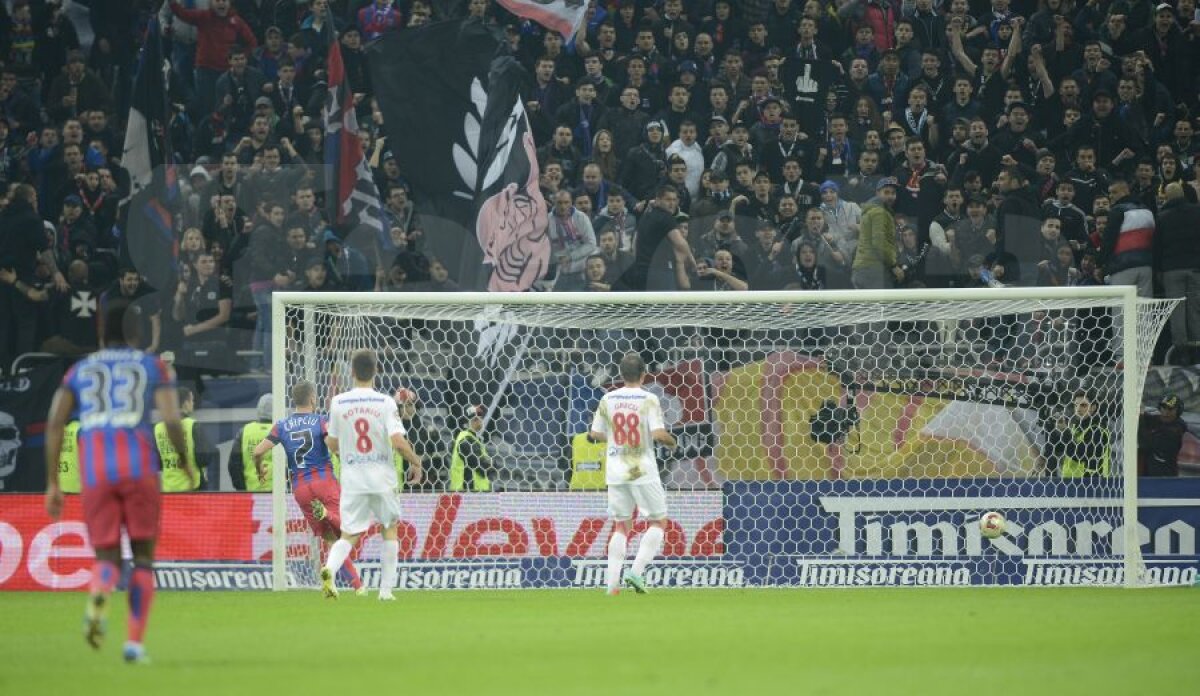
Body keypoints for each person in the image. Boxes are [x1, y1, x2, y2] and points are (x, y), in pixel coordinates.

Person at [44, 299, 195, 664]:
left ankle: (99, 590)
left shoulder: (79, 369)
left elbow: (54, 423)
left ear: (100, 332)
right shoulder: (150, 365)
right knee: (143, 558)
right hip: (139, 467)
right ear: (135, 333)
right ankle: (134, 644)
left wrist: (52, 483)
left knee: (107, 557)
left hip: (96, 471)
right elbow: (172, 420)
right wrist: (185, 462)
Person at [321, 350, 422, 600]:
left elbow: (331, 444)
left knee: (349, 533)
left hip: (353, 479)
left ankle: (330, 569)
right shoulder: (385, 402)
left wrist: (346, 448)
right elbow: (398, 442)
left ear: (352, 372)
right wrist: (416, 462)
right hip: (382, 478)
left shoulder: (338, 402)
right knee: (389, 528)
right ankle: (385, 592)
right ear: (375, 372)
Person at [253, 382, 364, 594]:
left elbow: (258, 452)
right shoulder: (321, 421)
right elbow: (332, 444)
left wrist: (259, 470)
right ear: (313, 398)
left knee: (332, 540)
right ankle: (328, 516)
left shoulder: (282, 425)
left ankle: (354, 586)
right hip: (324, 481)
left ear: (294, 400)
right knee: (348, 533)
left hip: (300, 488)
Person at [588, 353, 678, 595]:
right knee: (658, 521)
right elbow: (659, 434)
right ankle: (636, 573)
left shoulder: (608, 398)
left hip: (616, 470)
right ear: (644, 375)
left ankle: (611, 587)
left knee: (621, 526)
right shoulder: (649, 399)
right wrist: (673, 442)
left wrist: (618, 439)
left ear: (621, 374)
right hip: (642, 469)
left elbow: (595, 434)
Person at [155, 386, 217, 491]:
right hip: (192, 486)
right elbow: (205, 457)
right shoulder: (192, 425)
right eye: (191, 400)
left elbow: (156, 461)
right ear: (185, 403)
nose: (193, 404)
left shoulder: (158, 428)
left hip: (168, 489)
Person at [1054, 390, 1112, 478]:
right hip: (1072, 481)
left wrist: (1065, 431)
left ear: (1093, 407)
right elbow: (1060, 449)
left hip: (1091, 484)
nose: (1078, 409)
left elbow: (1079, 455)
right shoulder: (1076, 427)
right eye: (1076, 405)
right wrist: (1055, 430)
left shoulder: (1098, 430)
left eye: (1083, 405)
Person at [229, 394, 274, 491]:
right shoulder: (281, 431)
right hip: (278, 494)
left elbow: (234, 465)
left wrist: (242, 489)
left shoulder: (245, 431)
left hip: (250, 492)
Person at [1138, 394, 1188, 477]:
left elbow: (1145, 443)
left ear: (1178, 411)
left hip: (1164, 478)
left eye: (1170, 409)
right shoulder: (1162, 420)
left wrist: (1140, 417)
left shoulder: (1175, 430)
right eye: (1163, 407)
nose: (1166, 412)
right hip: (1150, 474)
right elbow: (1150, 418)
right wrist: (1139, 409)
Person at [450, 404, 496, 492]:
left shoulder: (471, 439)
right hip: (468, 493)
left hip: (473, 492)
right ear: (466, 423)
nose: (479, 422)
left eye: (480, 418)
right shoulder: (466, 441)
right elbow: (482, 467)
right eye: (475, 419)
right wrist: (493, 463)